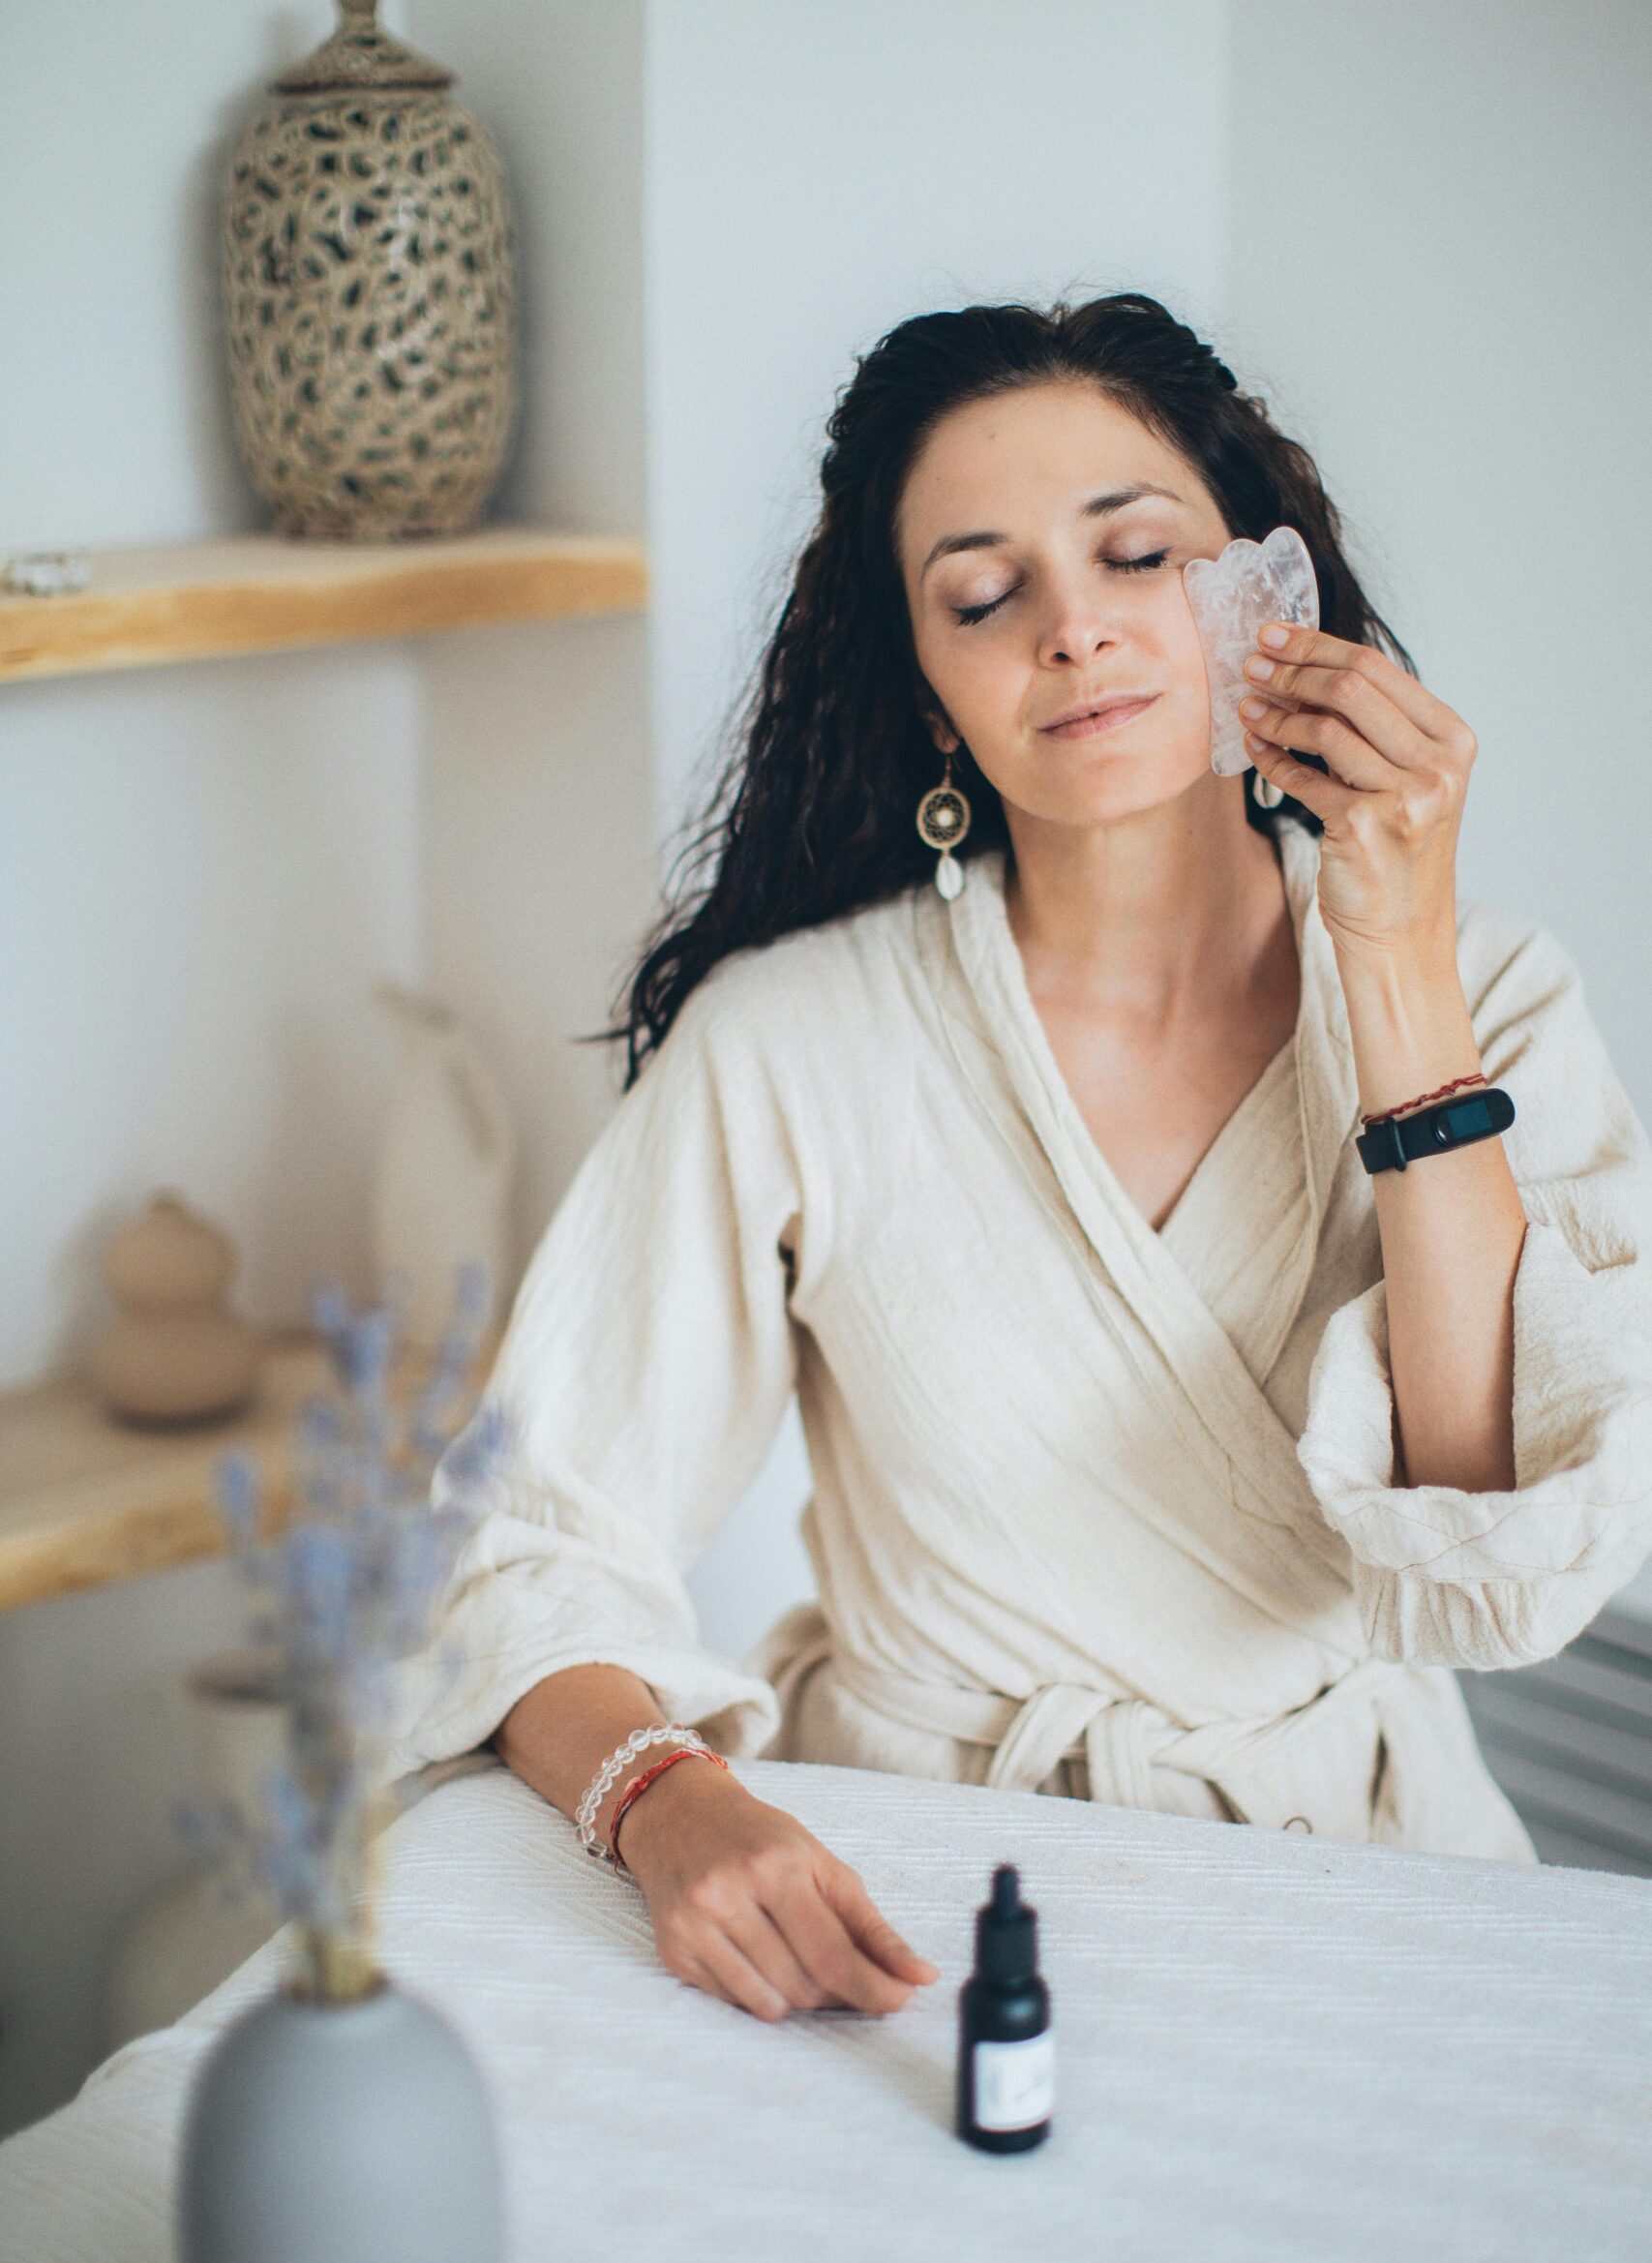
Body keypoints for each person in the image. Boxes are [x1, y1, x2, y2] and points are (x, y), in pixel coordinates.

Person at [389, 292, 1652, 2027]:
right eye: (985, 594)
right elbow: (522, 1541)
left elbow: (1502, 1572)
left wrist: (1401, 956)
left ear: (1262, 602)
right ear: (927, 693)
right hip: (914, 1893)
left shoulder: (1486, 993)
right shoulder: (791, 1042)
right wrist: (668, 1803)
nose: (1074, 629)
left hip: (1364, 1888)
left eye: (1138, 556)